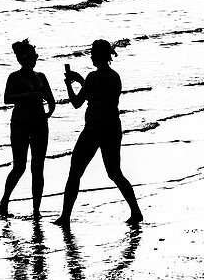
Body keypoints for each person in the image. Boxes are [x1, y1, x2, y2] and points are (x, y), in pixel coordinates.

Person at [54, 39, 143, 227]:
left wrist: (71, 84)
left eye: (93, 53)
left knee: (75, 171)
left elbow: (77, 103)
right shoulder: (115, 76)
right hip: (112, 127)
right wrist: (79, 80)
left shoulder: (92, 78)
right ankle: (136, 211)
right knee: (115, 172)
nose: (91, 56)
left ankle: (65, 216)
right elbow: (101, 93)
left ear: (98, 55)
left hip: (94, 128)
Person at [0, 39, 55, 219]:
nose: (35, 58)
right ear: (22, 59)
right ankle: (5, 201)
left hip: (39, 124)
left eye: (36, 55)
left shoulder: (41, 76)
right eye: (32, 55)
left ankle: (36, 209)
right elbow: (7, 99)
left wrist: (47, 113)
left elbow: (51, 100)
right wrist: (28, 95)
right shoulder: (14, 77)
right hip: (20, 124)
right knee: (19, 166)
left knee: (38, 168)